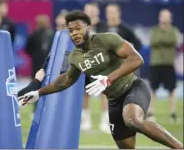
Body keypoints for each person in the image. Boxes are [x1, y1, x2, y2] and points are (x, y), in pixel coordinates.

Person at [18, 11, 183, 149]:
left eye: (78, 28)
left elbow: (137, 59)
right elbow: (65, 80)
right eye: (70, 30)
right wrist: (39, 93)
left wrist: (108, 78)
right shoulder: (75, 57)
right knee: (126, 147)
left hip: (132, 87)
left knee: (133, 120)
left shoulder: (107, 39)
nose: (74, 33)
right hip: (113, 101)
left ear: (88, 27)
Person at [148, 9, 181, 123]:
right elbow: (153, 41)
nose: (165, 18)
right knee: (153, 89)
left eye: (167, 16)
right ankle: (151, 112)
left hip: (169, 64)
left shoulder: (173, 30)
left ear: (170, 18)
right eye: (163, 16)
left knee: (172, 89)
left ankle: (173, 113)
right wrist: (164, 40)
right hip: (156, 63)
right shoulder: (154, 30)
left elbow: (174, 41)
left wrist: (162, 40)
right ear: (159, 18)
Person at [82, 2, 109, 133]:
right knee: (85, 92)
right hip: (85, 63)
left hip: (100, 64)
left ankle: (105, 121)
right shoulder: (81, 26)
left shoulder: (103, 25)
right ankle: (85, 120)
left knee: (104, 92)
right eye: (88, 10)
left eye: (92, 11)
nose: (90, 13)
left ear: (97, 12)